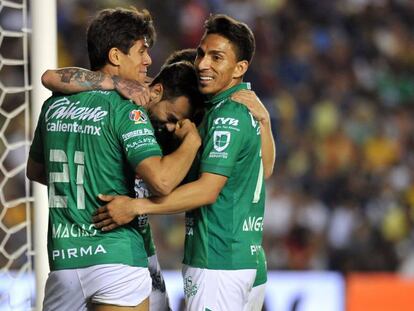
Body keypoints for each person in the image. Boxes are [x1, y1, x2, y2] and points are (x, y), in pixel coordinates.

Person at [93, 14, 275, 310]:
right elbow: (264, 169)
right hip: (244, 258)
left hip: (218, 259)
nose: (203, 64)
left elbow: (206, 189)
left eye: (217, 58)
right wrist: (264, 122)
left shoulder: (223, 116)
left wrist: (136, 206)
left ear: (240, 67)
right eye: (201, 54)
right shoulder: (237, 107)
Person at [27, 8, 202, 311]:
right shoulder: (128, 109)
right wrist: (192, 141)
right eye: (141, 51)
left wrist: (92, 175)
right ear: (116, 56)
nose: (148, 60)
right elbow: (161, 181)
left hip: (64, 261)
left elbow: (37, 170)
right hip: (116, 258)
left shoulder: (53, 104)